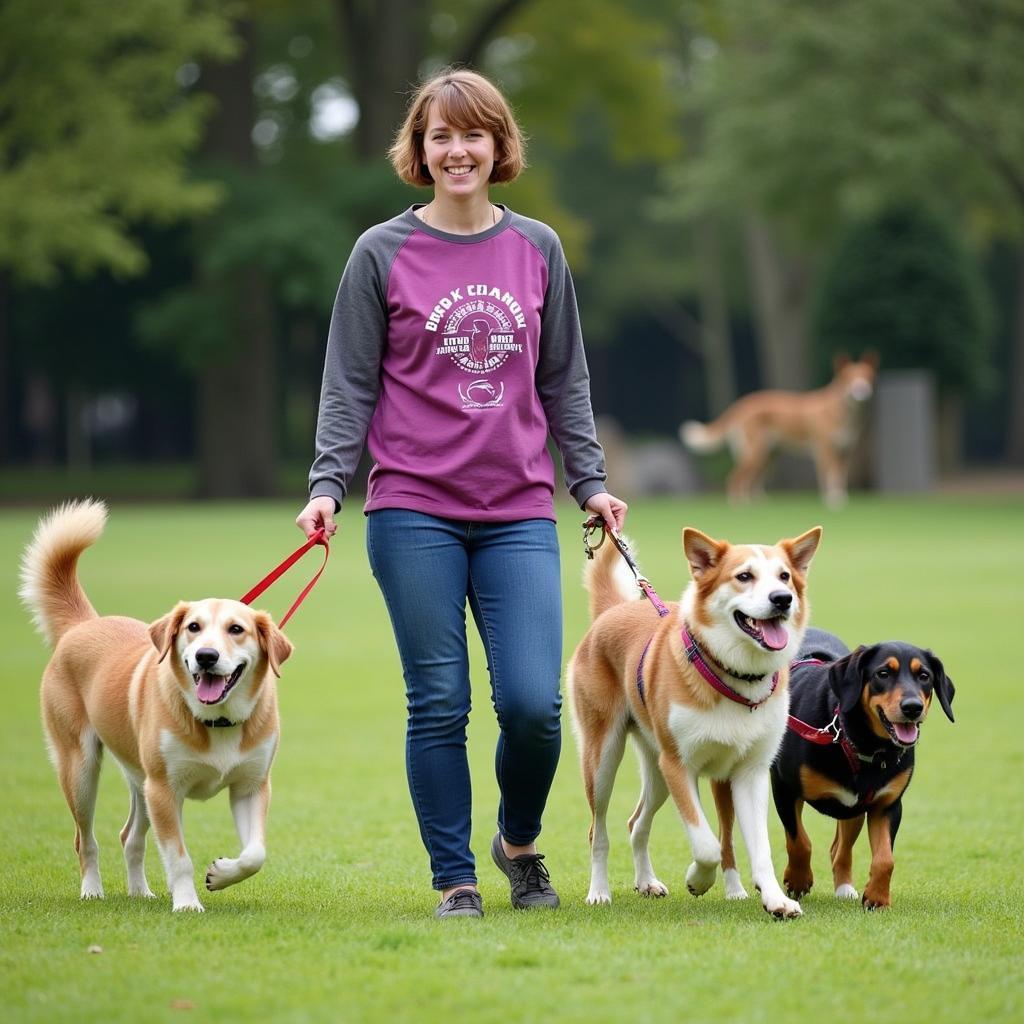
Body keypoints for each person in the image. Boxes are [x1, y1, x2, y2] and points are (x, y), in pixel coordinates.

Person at [295, 68, 627, 919]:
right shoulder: (380, 252)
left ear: (498, 146)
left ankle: (517, 843)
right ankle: (456, 880)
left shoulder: (538, 248)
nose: (457, 150)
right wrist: (330, 485)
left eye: (472, 134)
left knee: (534, 704)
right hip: (411, 509)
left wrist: (589, 482)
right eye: (440, 136)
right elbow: (348, 385)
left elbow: (566, 381)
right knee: (438, 699)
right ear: (419, 149)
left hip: (518, 508)